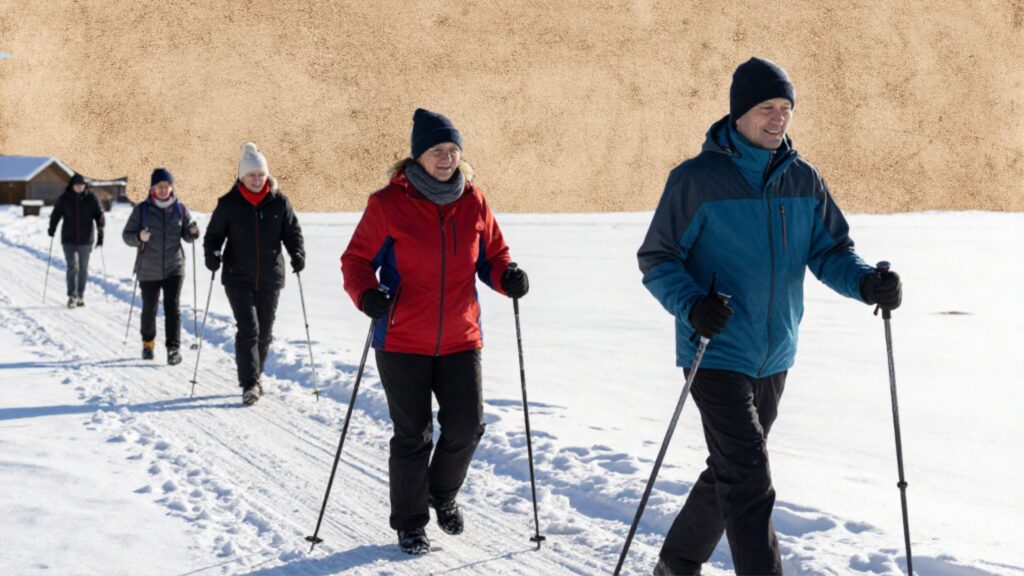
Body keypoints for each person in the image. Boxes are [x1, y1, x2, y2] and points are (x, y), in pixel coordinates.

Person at [637, 57, 902, 575]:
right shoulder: (697, 180)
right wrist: (692, 304)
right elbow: (658, 258)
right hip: (714, 351)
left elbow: (830, 251)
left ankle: (677, 562)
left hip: (776, 352)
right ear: (739, 114)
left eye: (785, 108)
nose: (778, 118)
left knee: (731, 470)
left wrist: (868, 281)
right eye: (766, 108)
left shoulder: (803, 179)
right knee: (750, 479)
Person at [341, 108, 530, 555]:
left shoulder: (474, 201)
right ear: (417, 157)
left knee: (467, 427)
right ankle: (410, 523)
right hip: (402, 337)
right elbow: (356, 261)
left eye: (452, 150)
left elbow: (493, 257)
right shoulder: (388, 204)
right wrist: (367, 295)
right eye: (436, 150)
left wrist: (509, 277)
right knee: (414, 435)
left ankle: (440, 493)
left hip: (461, 337)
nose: (446, 158)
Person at [203, 142, 304, 405]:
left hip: (271, 276)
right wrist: (212, 255)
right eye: (252, 175)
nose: (257, 180)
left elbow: (292, 232)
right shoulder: (228, 204)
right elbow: (213, 236)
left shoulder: (279, 202)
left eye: (261, 175)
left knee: (265, 332)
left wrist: (297, 253)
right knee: (249, 328)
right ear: (241, 177)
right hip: (238, 276)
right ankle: (249, 383)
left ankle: (255, 376)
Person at [122, 168, 200, 364]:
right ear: (152, 189)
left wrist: (193, 232)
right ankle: (148, 343)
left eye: (167, 186)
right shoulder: (142, 210)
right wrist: (139, 237)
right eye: (159, 186)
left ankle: (173, 349)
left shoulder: (180, 209)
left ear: (171, 187)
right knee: (149, 308)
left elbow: (188, 236)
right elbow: (127, 236)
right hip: (148, 269)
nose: (164, 190)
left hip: (174, 267)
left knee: (172, 307)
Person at [48, 173, 105, 308]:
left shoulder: (91, 198)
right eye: (77, 185)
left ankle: (80, 296)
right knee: (73, 267)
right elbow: (56, 213)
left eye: (81, 185)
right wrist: (52, 227)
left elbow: (99, 215)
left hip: (86, 239)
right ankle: (72, 296)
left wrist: (101, 230)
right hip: (69, 238)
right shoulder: (64, 198)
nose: (79, 187)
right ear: (72, 186)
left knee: (83, 269)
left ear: (85, 186)